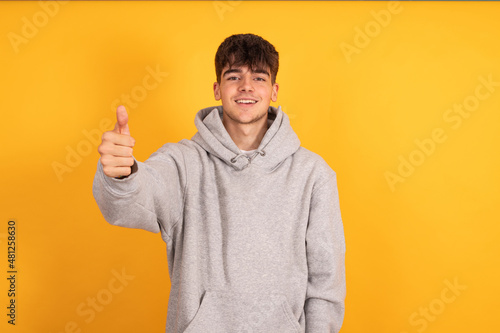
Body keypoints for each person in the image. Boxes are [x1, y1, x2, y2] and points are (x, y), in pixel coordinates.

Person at [93, 33, 346, 333]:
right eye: (234, 76)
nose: (246, 86)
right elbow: (134, 201)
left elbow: (325, 279)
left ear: (274, 90)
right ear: (217, 89)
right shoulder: (183, 163)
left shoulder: (313, 174)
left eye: (259, 78)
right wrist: (123, 174)